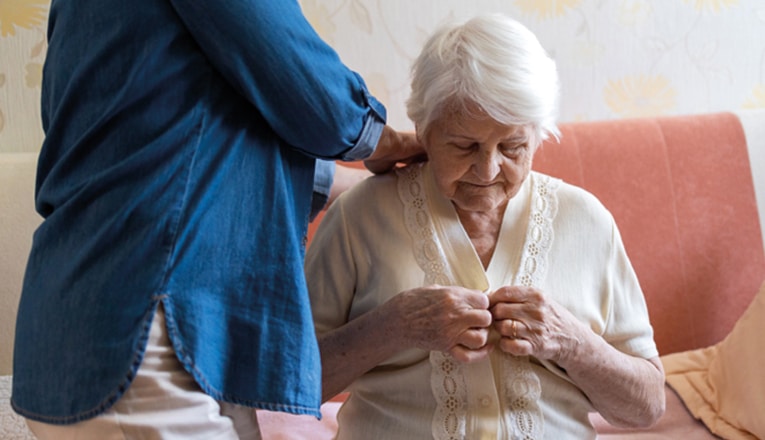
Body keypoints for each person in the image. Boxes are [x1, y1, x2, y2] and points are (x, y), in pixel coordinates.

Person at [11, 0, 422, 438]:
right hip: (147, 336)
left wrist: (395, 184)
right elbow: (308, 90)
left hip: (79, 330)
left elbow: (158, 137)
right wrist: (388, 141)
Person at [305, 13, 666, 439]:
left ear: (538, 134)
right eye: (463, 145)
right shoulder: (359, 215)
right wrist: (396, 324)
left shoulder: (586, 221)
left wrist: (572, 342)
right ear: (423, 130)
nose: (488, 167)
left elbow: (646, 407)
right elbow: (288, 382)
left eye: (512, 146)